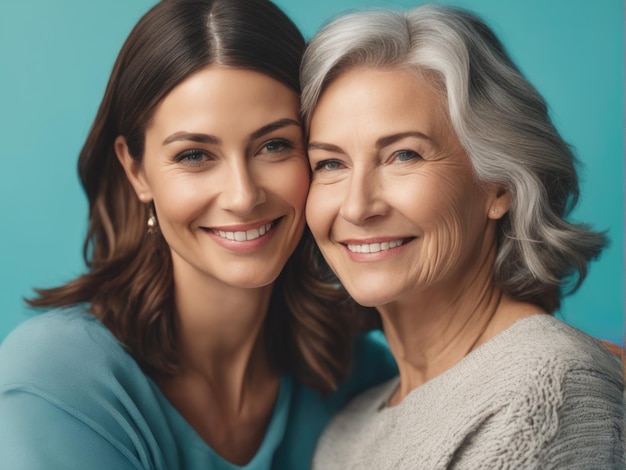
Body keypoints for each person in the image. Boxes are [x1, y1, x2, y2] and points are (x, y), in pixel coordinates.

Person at [0, 1, 396, 468]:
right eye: (194, 155)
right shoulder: (59, 377)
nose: (243, 197)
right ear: (136, 170)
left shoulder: (360, 373)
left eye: (274, 145)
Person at [300, 4, 624, 468]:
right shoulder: (345, 430)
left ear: (500, 185)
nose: (356, 206)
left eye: (404, 155)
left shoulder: (548, 387)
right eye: (330, 163)